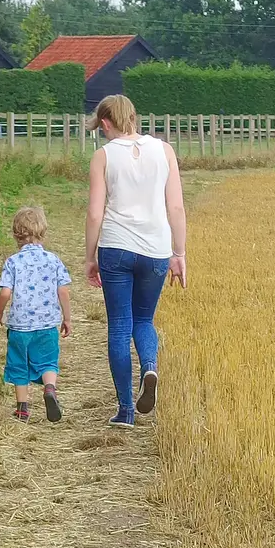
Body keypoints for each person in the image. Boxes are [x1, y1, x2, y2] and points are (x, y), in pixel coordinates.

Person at [84, 94, 187, 429]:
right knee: (144, 320)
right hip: (156, 249)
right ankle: (149, 367)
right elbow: (175, 208)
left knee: (119, 327)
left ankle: (126, 410)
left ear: (105, 122)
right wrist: (179, 253)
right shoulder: (164, 151)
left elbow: (95, 212)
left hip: (116, 248)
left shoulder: (103, 156)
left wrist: (89, 256)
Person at [0, 206, 72, 423]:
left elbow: (6, 292)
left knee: (19, 364)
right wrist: (67, 318)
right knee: (48, 361)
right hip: (47, 324)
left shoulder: (13, 262)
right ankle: (50, 389)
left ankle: (22, 409)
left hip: (19, 326)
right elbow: (63, 291)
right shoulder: (53, 260)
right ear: (42, 231)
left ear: (16, 234)